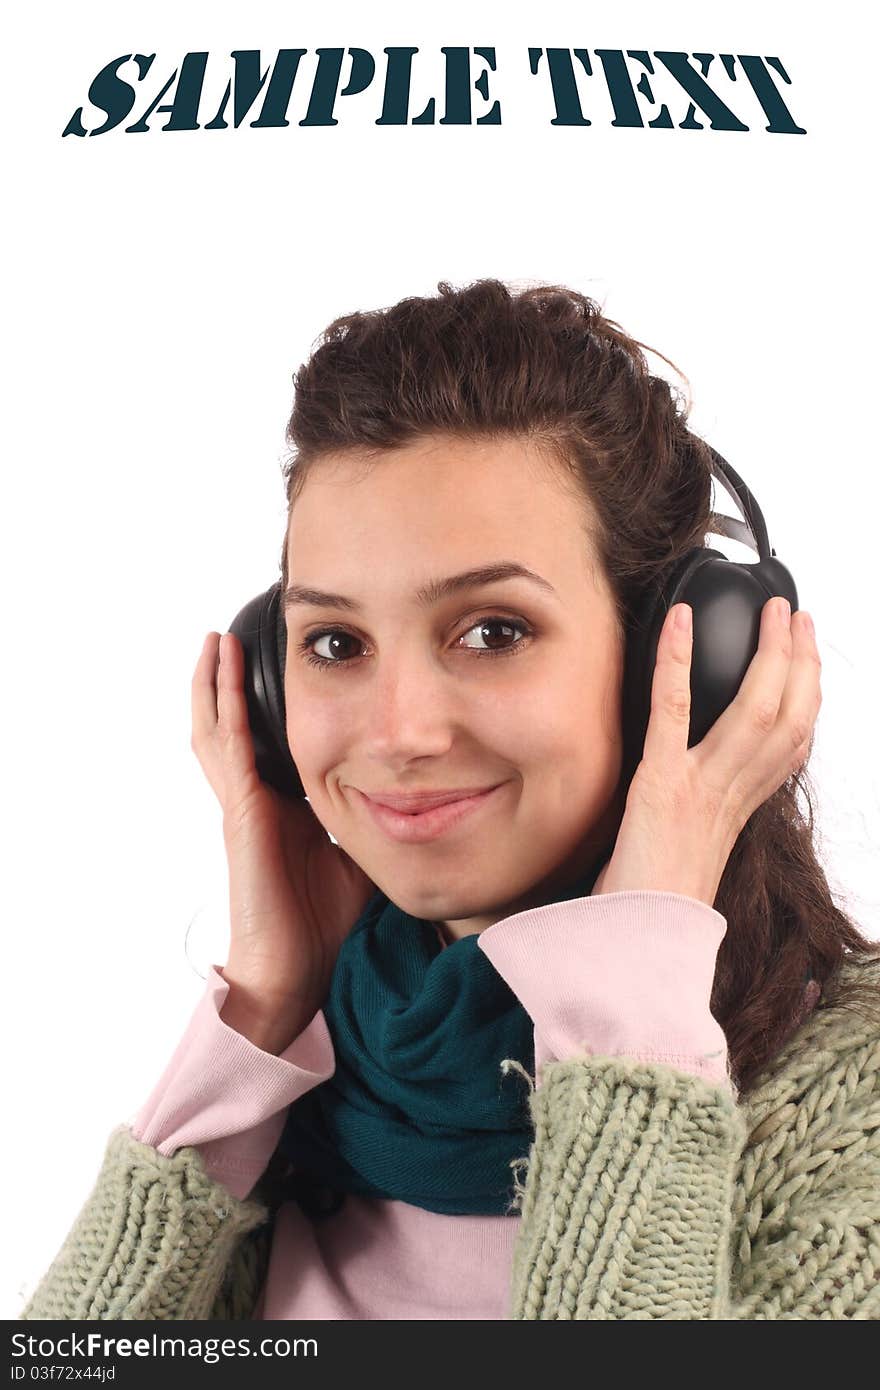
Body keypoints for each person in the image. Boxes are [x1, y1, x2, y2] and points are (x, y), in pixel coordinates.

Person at [20, 279, 880, 1321]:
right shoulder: (291, 1086)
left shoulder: (856, 1112)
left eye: (492, 631)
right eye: (335, 643)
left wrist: (639, 981)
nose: (398, 731)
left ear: (688, 662)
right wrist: (256, 1014)